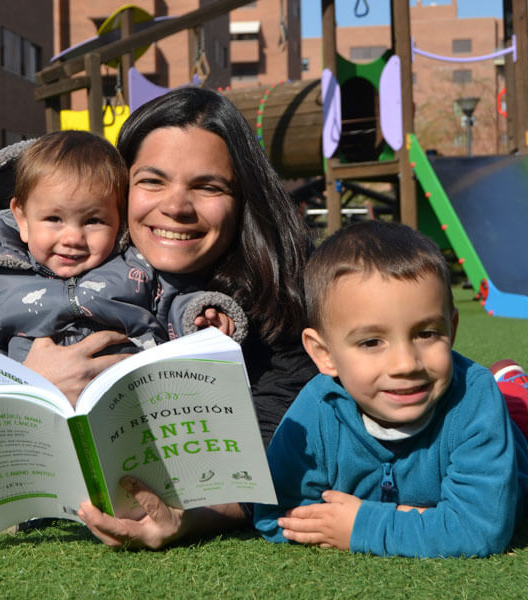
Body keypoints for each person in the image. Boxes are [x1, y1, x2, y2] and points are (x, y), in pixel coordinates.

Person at [18, 88, 317, 549]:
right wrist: (31, 387)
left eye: (208, 186)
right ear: (119, 188)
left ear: (243, 199)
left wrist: (189, 519)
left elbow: (268, 448)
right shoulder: (66, 255)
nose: (176, 206)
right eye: (153, 181)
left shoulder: (286, 294)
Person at [253, 220, 528, 557]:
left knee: (524, 412)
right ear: (324, 354)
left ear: (452, 327)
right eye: (372, 341)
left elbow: (481, 530)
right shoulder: (317, 409)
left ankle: (515, 386)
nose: (405, 364)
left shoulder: (474, 400)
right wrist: (427, 519)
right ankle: (507, 381)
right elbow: (276, 515)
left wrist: (362, 524)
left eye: (427, 333)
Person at [0, 130, 245, 372]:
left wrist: (200, 315)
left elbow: (173, 301)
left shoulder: (136, 265)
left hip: (135, 399)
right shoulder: (1, 280)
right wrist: (5, 381)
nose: (73, 238)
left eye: (93, 221)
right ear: (21, 218)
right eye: (54, 219)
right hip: (46, 409)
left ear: (119, 220)